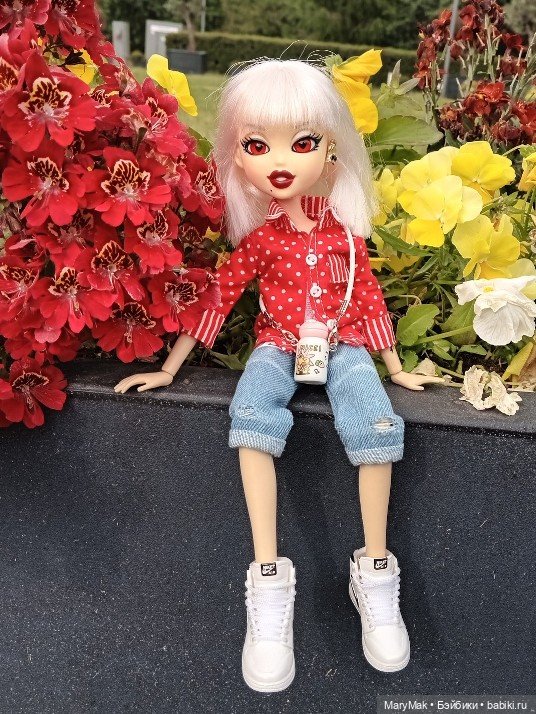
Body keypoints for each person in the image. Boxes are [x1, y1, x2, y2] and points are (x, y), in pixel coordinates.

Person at [114, 58, 443, 693]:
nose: (280, 162)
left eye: (303, 142)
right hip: (277, 344)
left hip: (342, 346)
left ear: (331, 152)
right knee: (250, 416)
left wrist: (396, 368)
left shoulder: (346, 239)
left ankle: (375, 567)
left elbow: (368, 300)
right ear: (238, 159)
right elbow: (219, 296)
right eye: (257, 146)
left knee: (376, 424)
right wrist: (169, 367)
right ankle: (268, 577)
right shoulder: (263, 242)